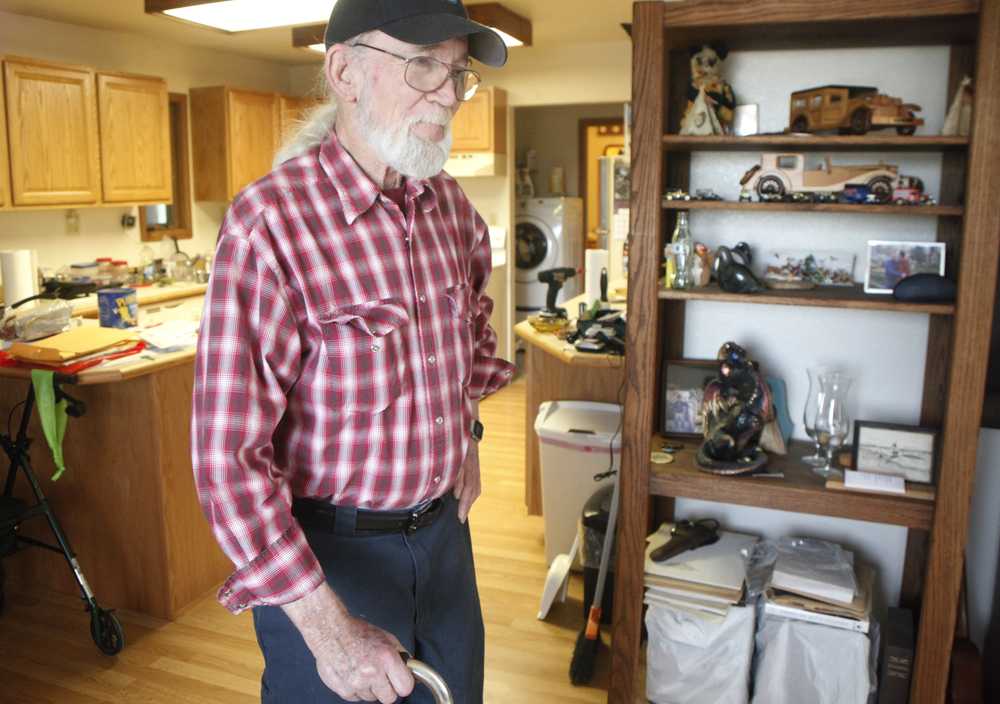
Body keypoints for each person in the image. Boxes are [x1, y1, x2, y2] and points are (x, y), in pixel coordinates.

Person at [190, 2, 514, 702]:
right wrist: (329, 631)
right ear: (345, 72)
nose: (448, 94)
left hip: (445, 544)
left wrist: (469, 434)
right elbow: (226, 461)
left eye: (457, 72)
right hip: (328, 564)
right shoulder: (268, 225)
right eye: (422, 63)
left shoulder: (451, 210)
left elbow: (474, 340)